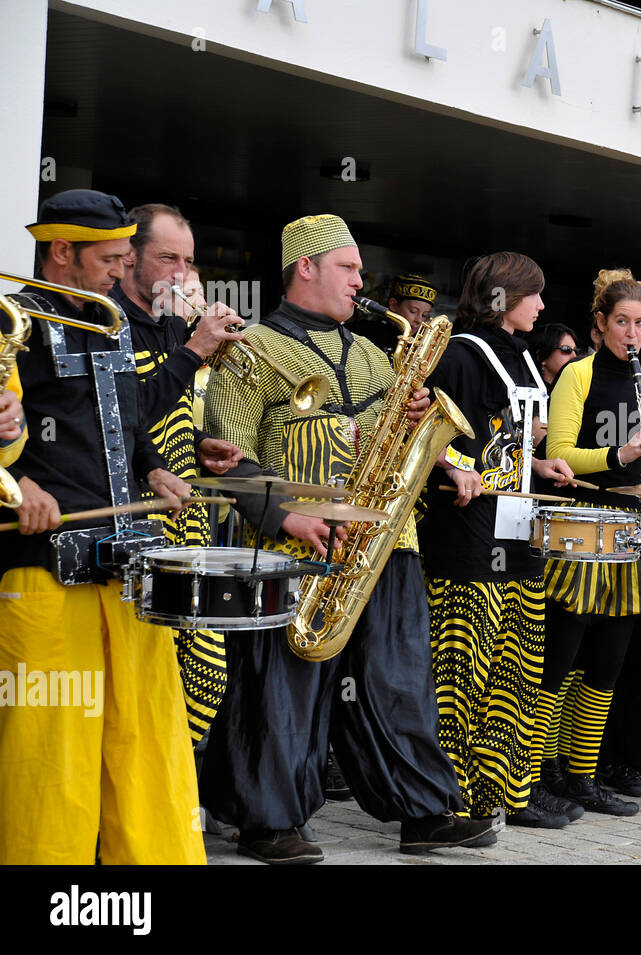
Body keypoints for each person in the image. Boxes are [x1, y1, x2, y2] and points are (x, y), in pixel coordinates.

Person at [201, 213, 496, 863]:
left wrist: (442, 457)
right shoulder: (249, 350)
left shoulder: (374, 353)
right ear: (305, 267)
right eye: (350, 268)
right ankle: (265, 819)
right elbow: (225, 458)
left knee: (399, 679)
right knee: (285, 686)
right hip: (292, 547)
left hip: (387, 542)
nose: (363, 281)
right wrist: (290, 517)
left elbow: (398, 439)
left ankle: (423, 812)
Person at [0, 188, 203, 864]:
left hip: (126, 560)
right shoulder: (11, 321)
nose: (123, 271)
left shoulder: (109, 318)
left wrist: (152, 468)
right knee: (51, 752)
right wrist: (17, 481)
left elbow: (123, 418)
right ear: (62, 251)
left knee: (147, 739)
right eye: (112, 258)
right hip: (41, 569)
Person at [423, 252, 580, 830]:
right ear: (502, 297)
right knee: (461, 673)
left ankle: (505, 791)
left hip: (516, 533)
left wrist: (538, 467)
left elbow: (504, 445)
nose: (541, 306)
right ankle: (449, 795)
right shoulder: (460, 354)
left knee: (515, 667)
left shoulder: (519, 356)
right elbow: (420, 430)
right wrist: (449, 466)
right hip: (464, 541)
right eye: (533, 295)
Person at [538, 267, 641, 816]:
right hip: (583, 522)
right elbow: (563, 454)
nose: (631, 333)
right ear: (600, 323)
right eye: (621, 321)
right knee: (563, 654)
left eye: (640, 324)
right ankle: (539, 771)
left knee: (608, 661)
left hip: (632, 528)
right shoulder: (578, 373)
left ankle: (580, 775)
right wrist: (618, 455)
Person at [112, 203, 245, 745]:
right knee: (149, 678)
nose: (181, 273)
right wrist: (195, 349)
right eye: (167, 257)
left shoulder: (169, 323)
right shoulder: (111, 322)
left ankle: (171, 798)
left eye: (188, 260)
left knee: (205, 674)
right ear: (129, 258)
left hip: (186, 520)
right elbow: (122, 419)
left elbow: (159, 415)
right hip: (138, 530)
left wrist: (198, 444)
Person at [530, 321, 579, 390]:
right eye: (566, 349)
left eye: (576, 351)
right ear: (541, 356)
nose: (574, 356)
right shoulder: (530, 393)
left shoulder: (574, 391)